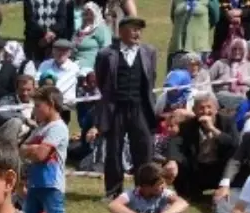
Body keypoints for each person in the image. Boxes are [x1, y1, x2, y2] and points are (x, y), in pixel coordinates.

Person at [21, 86, 100, 213]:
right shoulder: (41, 128)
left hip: (51, 185)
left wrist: (31, 149)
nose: (35, 110)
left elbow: (39, 154)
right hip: (35, 184)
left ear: (51, 105)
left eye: (38, 106)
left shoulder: (58, 128)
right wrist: (32, 149)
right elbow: (21, 148)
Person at [90, 15, 158, 199]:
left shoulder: (149, 52)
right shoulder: (106, 54)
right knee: (113, 151)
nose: (137, 33)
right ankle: (113, 191)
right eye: (133, 29)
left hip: (140, 108)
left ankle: (143, 190)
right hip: (115, 109)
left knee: (144, 150)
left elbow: (151, 78)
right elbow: (102, 79)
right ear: (121, 31)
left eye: (139, 29)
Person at [164, 92, 238, 202]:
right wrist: (172, 161)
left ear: (216, 109)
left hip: (220, 169)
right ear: (194, 111)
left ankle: (227, 190)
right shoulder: (188, 125)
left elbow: (234, 143)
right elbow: (175, 142)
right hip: (198, 169)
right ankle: (189, 193)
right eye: (201, 108)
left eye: (209, 107)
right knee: (177, 161)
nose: (205, 111)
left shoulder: (227, 122)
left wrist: (213, 129)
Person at [22, 0, 75, 64]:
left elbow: (62, 21)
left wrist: (51, 33)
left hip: (54, 41)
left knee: (53, 69)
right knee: (33, 68)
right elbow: (30, 20)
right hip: (35, 41)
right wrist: (44, 35)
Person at [169, 0, 213, 69]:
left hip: (199, 46)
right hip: (178, 47)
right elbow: (174, 17)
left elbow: (214, 18)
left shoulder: (209, 1)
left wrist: (200, 29)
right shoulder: (176, 1)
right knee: (177, 76)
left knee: (198, 76)